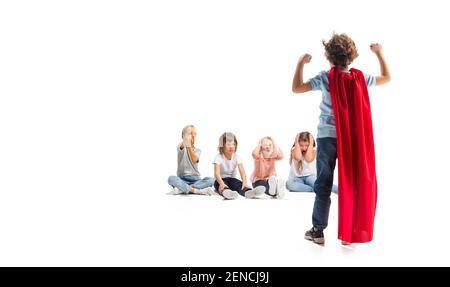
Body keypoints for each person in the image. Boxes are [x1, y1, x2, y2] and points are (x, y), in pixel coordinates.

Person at [292, 33, 390, 245]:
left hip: (327, 139)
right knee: (352, 184)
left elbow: (297, 88)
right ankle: (350, 234)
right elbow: (386, 77)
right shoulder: (360, 78)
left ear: (328, 56)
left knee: (323, 184)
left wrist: (300, 63)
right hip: (352, 141)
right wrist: (379, 53)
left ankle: (318, 231)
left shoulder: (326, 77)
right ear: (352, 57)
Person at [213, 132, 265, 200]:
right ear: (222, 146)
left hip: (232, 179)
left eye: (233, 144)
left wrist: (245, 182)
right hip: (221, 180)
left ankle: (248, 192)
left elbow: (242, 172)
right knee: (220, 185)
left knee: (239, 184)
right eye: (228, 144)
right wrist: (222, 183)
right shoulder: (218, 157)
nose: (231, 146)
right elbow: (216, 173)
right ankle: (226, 192)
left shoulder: (237, 157)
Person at [168, 125, 215, 195]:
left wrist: (189, 145)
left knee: (212, 180)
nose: (193, 136)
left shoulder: (198, 150)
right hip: (182, 179)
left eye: (195, 134)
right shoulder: (181, 147)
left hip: (196, 180)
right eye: (190, 133)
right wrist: (186, 142)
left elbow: (194, 159)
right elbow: (183, 145)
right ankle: (196, 191)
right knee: (171, 178)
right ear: (183, 136)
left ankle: (183, 189)